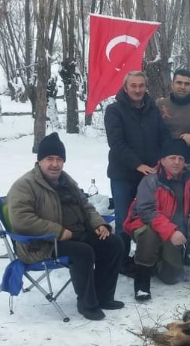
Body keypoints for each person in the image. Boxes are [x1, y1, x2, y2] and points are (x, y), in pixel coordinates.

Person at [7, 133, 125, 321]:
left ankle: (104, 297)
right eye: (49, 159)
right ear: (39, 161)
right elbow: (21, 220)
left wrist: (99, 224)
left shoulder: (66, 181)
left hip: (76, 233)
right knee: (83, 251)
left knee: (113, 243)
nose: (55, 164)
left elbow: (86, 207)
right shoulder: (25, 185)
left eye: (59, 159)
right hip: (42, 243)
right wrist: (57, 231)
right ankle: (87, 304)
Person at [105, 71, 171, 275]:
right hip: (123, 174)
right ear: (126, 88)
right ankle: (122, 260)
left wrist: (163, 160)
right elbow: (116, 143)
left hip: (151, 175)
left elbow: (163, 136)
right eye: (133, 86)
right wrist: (137, 164)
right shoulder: (114, 111)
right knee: (124, 218)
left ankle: (148, 257)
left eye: (141, 86)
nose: (137, 90)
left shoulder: (153, 109)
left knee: (150, 215)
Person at [123, 139, 190, 301]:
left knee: (172, 277)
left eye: (181, 158)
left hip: (172, 230)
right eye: (172, 158)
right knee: (150, 234)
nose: (177, 162)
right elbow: (146, 211)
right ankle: (142, 282)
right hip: (144, 224)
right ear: (163, 160)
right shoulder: (150, 180)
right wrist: (171, 231)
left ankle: (157, 260)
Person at [156, 69, 190, 164]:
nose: (182, 87)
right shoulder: (160, 105)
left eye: (187, 84)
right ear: (172, 85)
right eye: (179, 83)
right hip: (163, 160)